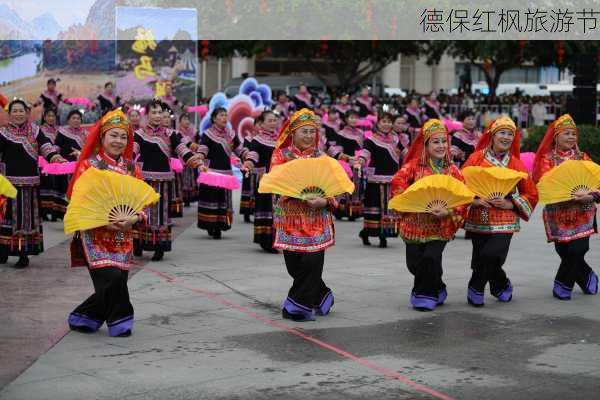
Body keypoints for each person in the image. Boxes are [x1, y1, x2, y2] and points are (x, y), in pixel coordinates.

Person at [67, 109, 144, 337]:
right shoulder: (88, 166)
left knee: (117, 279)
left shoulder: (132, 169)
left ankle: (84, 317)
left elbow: (143, 203)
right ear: (102, 138)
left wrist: (135, 218)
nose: (119, 141)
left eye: (123, 136)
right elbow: (79, 201)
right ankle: (122, 322)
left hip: (122, 234)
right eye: (114, 135)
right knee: (110, 278)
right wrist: (103, 220)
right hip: (94, 234)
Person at [391, 119, 468, 311]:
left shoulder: (453, 171)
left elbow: (463, 198)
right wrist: (413, 203)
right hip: (414, 225)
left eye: (444, 141)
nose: (441, 146)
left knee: (431, 258)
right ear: (425, 145)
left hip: (439, 226)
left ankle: (424, 296)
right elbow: (397, 185)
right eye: (436, 141)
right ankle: (438, 286)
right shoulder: (412, 167)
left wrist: (448, 211)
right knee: (414, 264)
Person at [462, 116, 538, 307]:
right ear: (492, 135)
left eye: (510, 134)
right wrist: (476, 200)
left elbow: (531, 193)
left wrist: (511, 203)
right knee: (481, 255)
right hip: (481, 214)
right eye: (502, 133)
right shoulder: (476, 158)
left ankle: (476, 286)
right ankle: (501, 285)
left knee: (492, 254)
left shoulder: (516, 164)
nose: (506, 137)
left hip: (505, 217)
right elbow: (461, 183)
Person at [271, 108, 337, 321]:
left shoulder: (322, 158)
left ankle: (298, 307)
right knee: (295, 267)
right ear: (293, 133)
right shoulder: (281, 155)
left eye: (312, 131)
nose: (309, 136)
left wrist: (325, 201)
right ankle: (323, 295)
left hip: (317, 220)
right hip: (290, 220)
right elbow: (277, 182)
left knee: (311, 263)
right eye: (304, 131)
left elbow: (335, 187)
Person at [532, 114, 599, 299]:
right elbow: (542, 183)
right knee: (564, 251)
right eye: (566, 133)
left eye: (573, 134)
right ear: (556, 136)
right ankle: (587, 276)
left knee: (579, 249)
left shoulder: (583, 157)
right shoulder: (546, 160)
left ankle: (563, 284)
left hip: (583, 212)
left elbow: (597, 181)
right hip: (558, 214)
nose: (571, 137)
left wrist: (591, 195)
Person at [133, 100, 201, 261]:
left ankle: (159, 247)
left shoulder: (171, 134)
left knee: (161, 215)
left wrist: (197, 161)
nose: (157, 116)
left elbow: (182, 150)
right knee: (142, 212)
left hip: (164, 180)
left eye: (160, 113)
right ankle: (138, 243)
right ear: (147, 115)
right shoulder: (139, 134)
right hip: (143, 179)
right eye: (154, 112)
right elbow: (131, 153)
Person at [0, 99, 64, 268]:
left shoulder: (36, 131)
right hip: (7, 185)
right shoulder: (3, 132)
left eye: (22, 111)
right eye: (15, 111)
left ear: (27, 113)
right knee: (5, 218)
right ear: (9, 114)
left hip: (29, 184)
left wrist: (55, 157)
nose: (18, 114)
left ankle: (23, 253)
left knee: (25, 220)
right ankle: (3, 251)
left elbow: (46, 147)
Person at [196, 107, 253, 239]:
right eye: (221, 115)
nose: (224, 118)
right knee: (211, 200)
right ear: (214, 118)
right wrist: (198, 159)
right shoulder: (208, 134)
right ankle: (211, 226)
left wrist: (248, 157)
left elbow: (239, 150)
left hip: (226, 174)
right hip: (211, 174)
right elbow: (202, 150)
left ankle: (220, 225)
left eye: (225, 115)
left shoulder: (230, 134)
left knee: (223, 201)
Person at [356, 112, 405, 248]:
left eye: (389, 122)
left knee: (388, 209)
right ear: (378, 123)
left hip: (392, 179)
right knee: (375, 210)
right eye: (383, 121)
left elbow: (407, 154)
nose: (386, 124)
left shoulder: (396, 140)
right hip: (376, 180)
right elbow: (365, 153)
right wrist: (360, 161)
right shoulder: (371, 140)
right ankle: (367, 232)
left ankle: (384, 235)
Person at [246, 110, 279, 253]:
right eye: (270, 120)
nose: (273, 123)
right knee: (267, 210)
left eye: (274, 120)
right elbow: (253, 154)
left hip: (280, 180)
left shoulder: (280, 139)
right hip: (265, 180)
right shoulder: (258, 139)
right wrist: (248, 163)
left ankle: (278, 240)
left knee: (278, 210)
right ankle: (266, 241)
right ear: (262, 123)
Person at [328, 110, 364, 221]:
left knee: (357, 188)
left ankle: (354, 212)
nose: (354, 120)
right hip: (346, 164)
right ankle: (341, 211)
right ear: (346, 119)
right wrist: (348, 158)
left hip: (359, 163)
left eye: (355, 118)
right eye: (351, 118)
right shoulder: (340, 133)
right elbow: (335, 150)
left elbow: (365, 149)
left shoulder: (361, 133)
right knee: (344, 188)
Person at [53, 109, 87, 220]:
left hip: (80, 167)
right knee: (66, 189)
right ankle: (65, 214)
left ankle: (78, 214)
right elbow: (57, 146)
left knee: (79, 190)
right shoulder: (62, 131)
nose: (76, 120)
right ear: (68, 120)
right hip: (65, 166)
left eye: (78, 118)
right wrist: (54, 158)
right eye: (74, 118)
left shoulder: (85, 134)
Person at [38, 107, 60, 221]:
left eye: (53, 116)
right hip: (43, 162)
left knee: (54, 186)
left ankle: (53, 211)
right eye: (48, 116)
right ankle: (43, 212)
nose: (51, 118)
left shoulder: (58, 130)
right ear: (44, 117)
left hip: (56, 162)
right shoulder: (40, 130)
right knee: (44, 186)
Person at [177, 113, 199, 206]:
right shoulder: (177, 132)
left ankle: (190, 199)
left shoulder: (193, 131)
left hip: (192, 158)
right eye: (184, 119)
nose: (187, 121)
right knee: (183, 180)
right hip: (182, 159)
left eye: (187, 119)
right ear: (180, 122)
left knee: (191, 180)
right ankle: (184, 199)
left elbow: (197, 142)